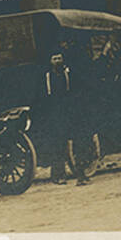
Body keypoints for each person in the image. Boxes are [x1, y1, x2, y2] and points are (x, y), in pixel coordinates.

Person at [43, 41, 91, 186]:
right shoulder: (46, 77)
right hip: (55, 115)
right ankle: (58, 175)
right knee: (58, 146)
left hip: (70, 112)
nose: (57, 61)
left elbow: (75, 90)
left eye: (59, 58)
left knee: (78, 143)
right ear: (50, 61)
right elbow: (44, 97)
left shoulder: (68, 73)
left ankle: (81, 174)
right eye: (54, 59)